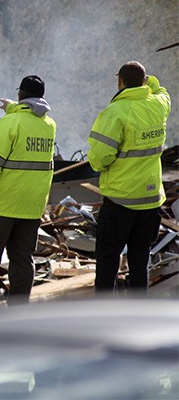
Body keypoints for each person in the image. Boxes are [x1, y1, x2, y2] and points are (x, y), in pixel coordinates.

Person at [0, 75, 56, 308]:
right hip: (32, 207)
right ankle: (18, 314)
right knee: (23, 261)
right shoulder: (49, 125)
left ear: (21, 94)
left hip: (2, 206)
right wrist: (13, 110)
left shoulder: (9, 124)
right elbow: (27, 120)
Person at [88, 61, 170, 292]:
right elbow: (162, 91)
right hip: (150, 200)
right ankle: (138, 316)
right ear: (144, 82)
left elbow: (99, 158)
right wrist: (149, 81)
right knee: (139, 261)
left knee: (108, 261)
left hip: (120, 200)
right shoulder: (158, 105)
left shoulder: (114, 112)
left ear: (120, 81)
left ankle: (103, 316)